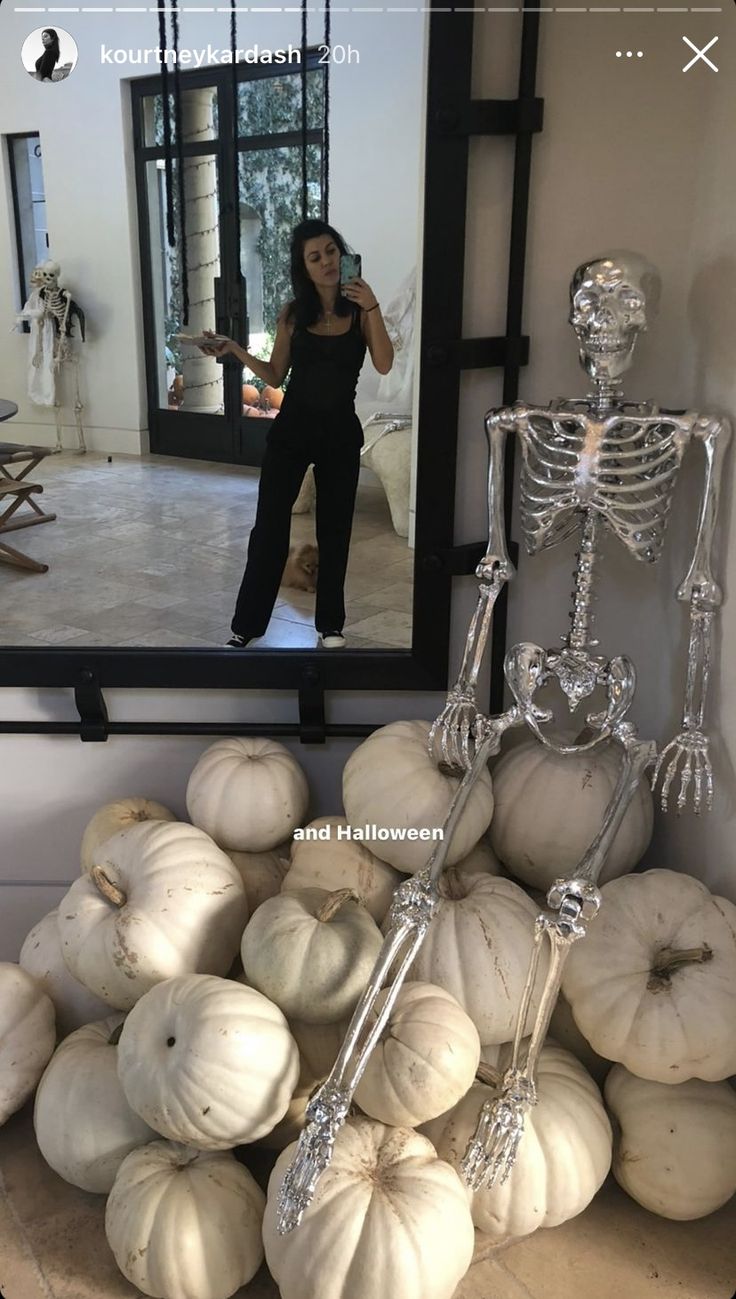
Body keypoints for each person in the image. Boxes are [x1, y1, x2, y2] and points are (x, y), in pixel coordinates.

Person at [201, 219, 394, 649]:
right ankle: (246, 626)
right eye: (315, 257)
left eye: (331, 251)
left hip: (340, 434)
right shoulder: (293, 314)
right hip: (291, 433)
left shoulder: (362, 312)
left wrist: (374, 306)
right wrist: (235, 349)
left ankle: (330, 625)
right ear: (303, 268)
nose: (326, 262)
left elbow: (383, 362)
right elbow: (274, 374)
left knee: (335, 530)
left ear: (342, 256)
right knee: (268, 528)